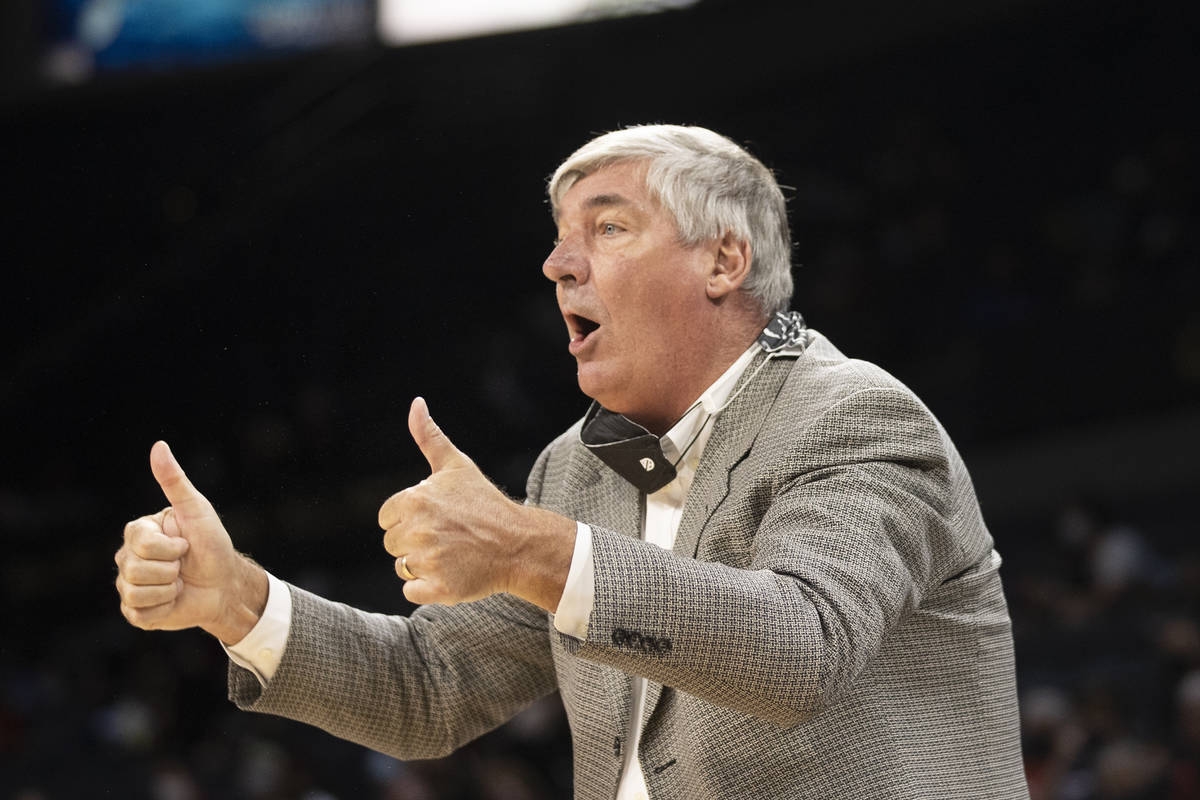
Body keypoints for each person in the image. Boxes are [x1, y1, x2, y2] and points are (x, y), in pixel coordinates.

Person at [114, 125, 1029, 799]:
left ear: (724, 260)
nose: (558, 264)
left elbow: (801, 648)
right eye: (559, 236)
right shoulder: (578, 471)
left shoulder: (857, 416)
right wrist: (239, 600)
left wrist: (533, 553)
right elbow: (428, 689)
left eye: (608, 228)